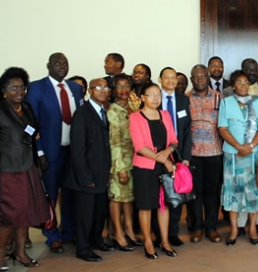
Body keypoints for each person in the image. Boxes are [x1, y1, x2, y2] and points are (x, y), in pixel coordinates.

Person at [0, 67, 49, 272]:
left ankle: (20, 252)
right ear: (4, 90)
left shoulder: (25, 107)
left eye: (22, 87)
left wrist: (39, 154)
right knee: (9, 215)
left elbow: (32, 131)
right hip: (6, 171)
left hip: (27, 168)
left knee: (24, 213)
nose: (20, 91)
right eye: (14, 88)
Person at [25, 53, 84, 254]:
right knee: (50, 195)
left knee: (70, 194)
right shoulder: (36, 88)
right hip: (49, 153)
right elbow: (29, 124)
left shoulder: (75, 88)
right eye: (57, 63)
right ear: (48, 65)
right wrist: (39, 151)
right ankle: (52, 236)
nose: (62, 66)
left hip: (73, 152)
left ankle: (68, 232)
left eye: (65, 63)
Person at [64, 78, 115, 262]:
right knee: (85, 214)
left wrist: (108, 171)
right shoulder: (82, 114)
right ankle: (83, 248)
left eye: (106, 87)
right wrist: (85, 176)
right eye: (98, 87)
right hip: (85, 176)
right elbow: (77, 149)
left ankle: (95, 240)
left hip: (101, 174)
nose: (103, 91)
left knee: (99, 211)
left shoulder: (103, 112)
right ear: (90, 91)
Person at [129, 83, 179, 259]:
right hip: (145, 167)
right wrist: (164, 159)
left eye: (158, 94)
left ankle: (164, 240)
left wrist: (167, 153)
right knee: (146, 206)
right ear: (142, 97)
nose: (155, 98)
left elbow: (173, 140)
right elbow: (140, 147)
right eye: (151, 95)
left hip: (164, 165)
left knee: (163, 205)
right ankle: (148, 242)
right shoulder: (135, 117)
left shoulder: (165, 115)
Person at [218, 71, 258, 246]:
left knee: (252, 192)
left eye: (246, 82)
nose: (243, 85)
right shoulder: (225, 102)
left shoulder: (256, 102)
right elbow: (222, 128)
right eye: (239, 82)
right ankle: (234, 228)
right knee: (233, 192)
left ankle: (252, 228)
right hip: (233, 154)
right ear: (233, 85)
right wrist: (239, 147)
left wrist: (251, 146)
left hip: (253, 155)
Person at [187, 65, 224, 243]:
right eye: (196, 77)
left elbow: (224, 125)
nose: (199, 79)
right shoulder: (185, 99)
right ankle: (197, 228)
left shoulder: (219, 98)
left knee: (212, 191)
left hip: (214, 152)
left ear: (208, 77)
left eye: (203, 76)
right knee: (195, 192)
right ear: (191, 79)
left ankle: (211, 227)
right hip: (193, 153)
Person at [158, 67, 192, 247]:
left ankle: (172, 233)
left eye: (174, 78)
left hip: (178, 155)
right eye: (167, 77)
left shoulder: (183, 100)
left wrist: (186, 157)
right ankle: (158, 234)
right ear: (160, 79)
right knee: (160, 196)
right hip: (158, 154)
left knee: (177, 196)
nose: (171, 81)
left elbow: (187, 131)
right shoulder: (154, 98)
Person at [107, 74, 141, 250]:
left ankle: (129, 230)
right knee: (117, 197)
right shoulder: (112, 111)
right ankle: (117, 233)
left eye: (126, 86)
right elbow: (114, 142)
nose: (123, 90)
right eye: (119, 86)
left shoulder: (134, 108)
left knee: (129, 198)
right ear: (113, 90)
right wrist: (119, 168)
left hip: (135, 160)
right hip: (119, 161)